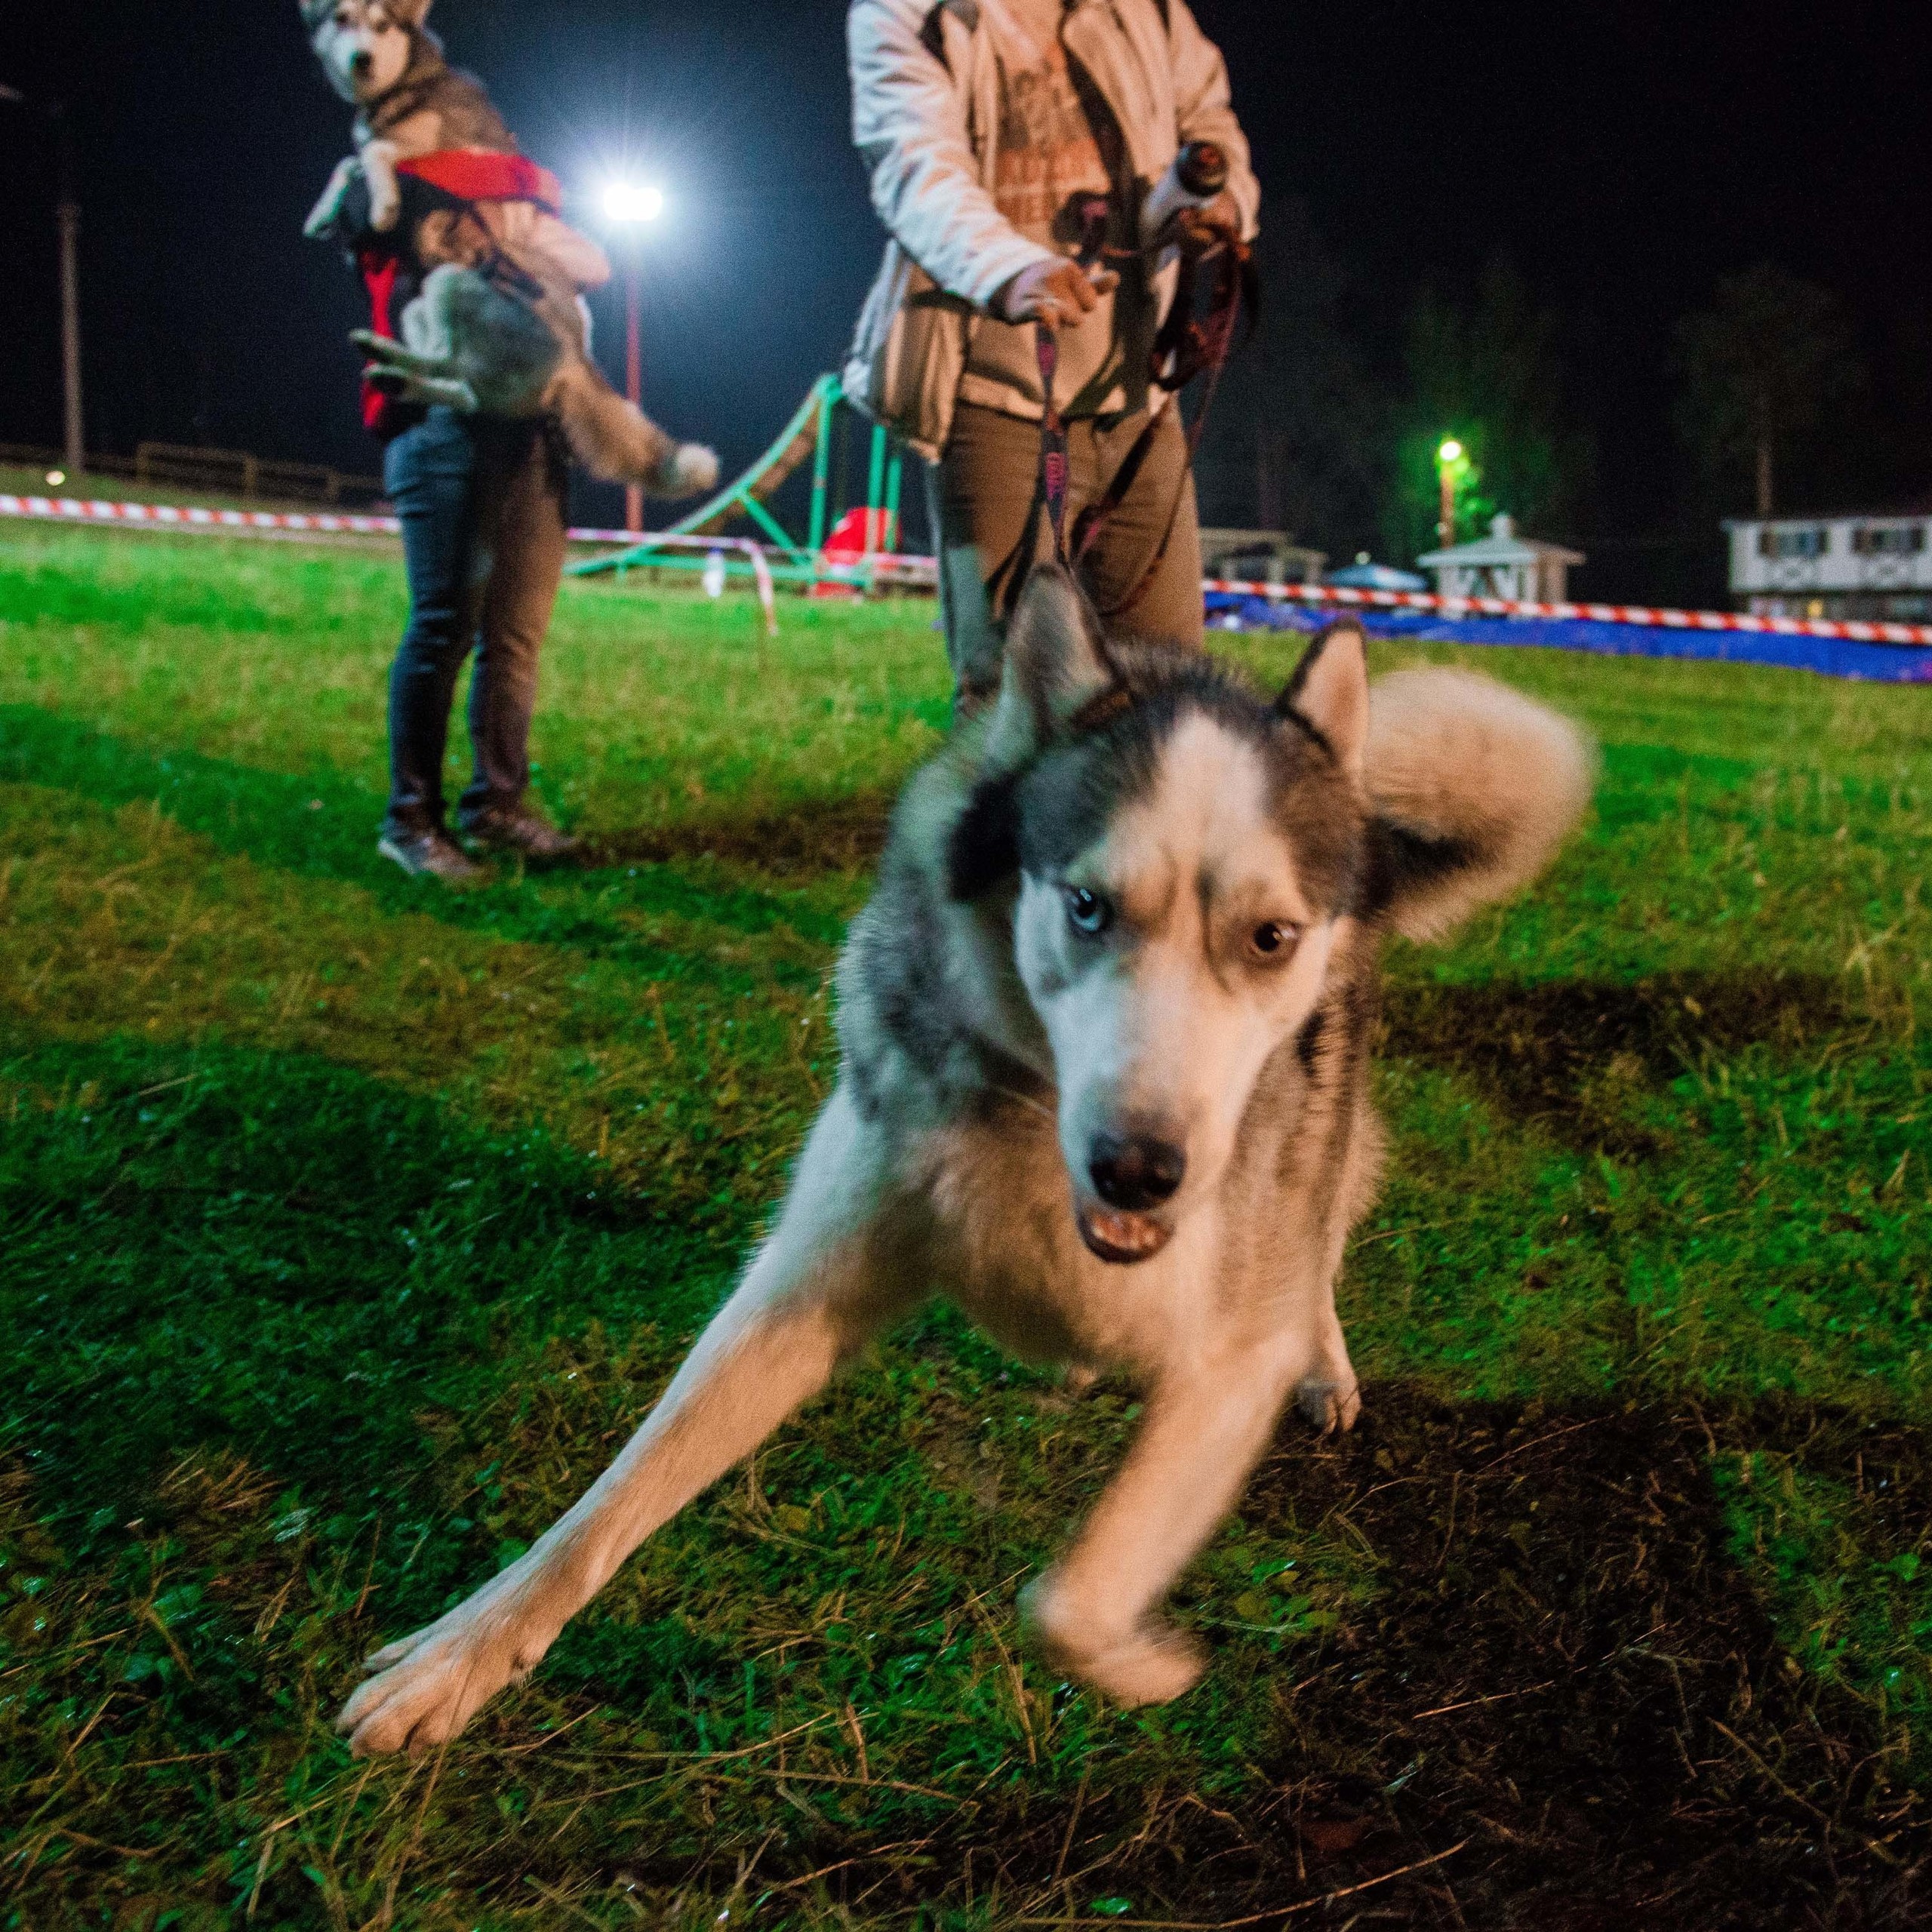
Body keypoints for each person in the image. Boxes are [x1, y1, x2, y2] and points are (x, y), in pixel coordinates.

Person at [846, 0, 1259, 715]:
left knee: (1167, 688)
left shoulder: (1152, 11)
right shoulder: (906, 13)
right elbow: (912, 165)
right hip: (995, 400)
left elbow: (1210, 122)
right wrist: (1007, 267)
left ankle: (1136, 831)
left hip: (1139, 402)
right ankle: (995, 832)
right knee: (1011, 692)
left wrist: (1218, 207)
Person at [337, 160, 606, 881]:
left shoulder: (537, 263)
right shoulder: (407, 223)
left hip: (536, 444)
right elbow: (364, 202)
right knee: (444, 628)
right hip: (446, 436)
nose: (541, 215)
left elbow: (590, 277)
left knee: (515, 638)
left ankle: (497, 806)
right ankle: (411, 823)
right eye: (524, 202)